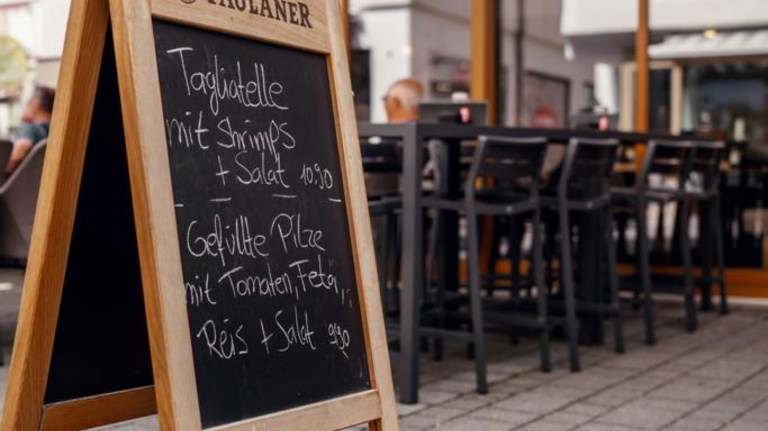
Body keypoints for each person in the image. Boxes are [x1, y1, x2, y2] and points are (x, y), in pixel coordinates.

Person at [6, 86, 55, 175]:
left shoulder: (30, 128)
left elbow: (22, 146)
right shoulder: (54, 134)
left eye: (28, 103)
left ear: (36, 105)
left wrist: (5, 168)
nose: (25, 107)